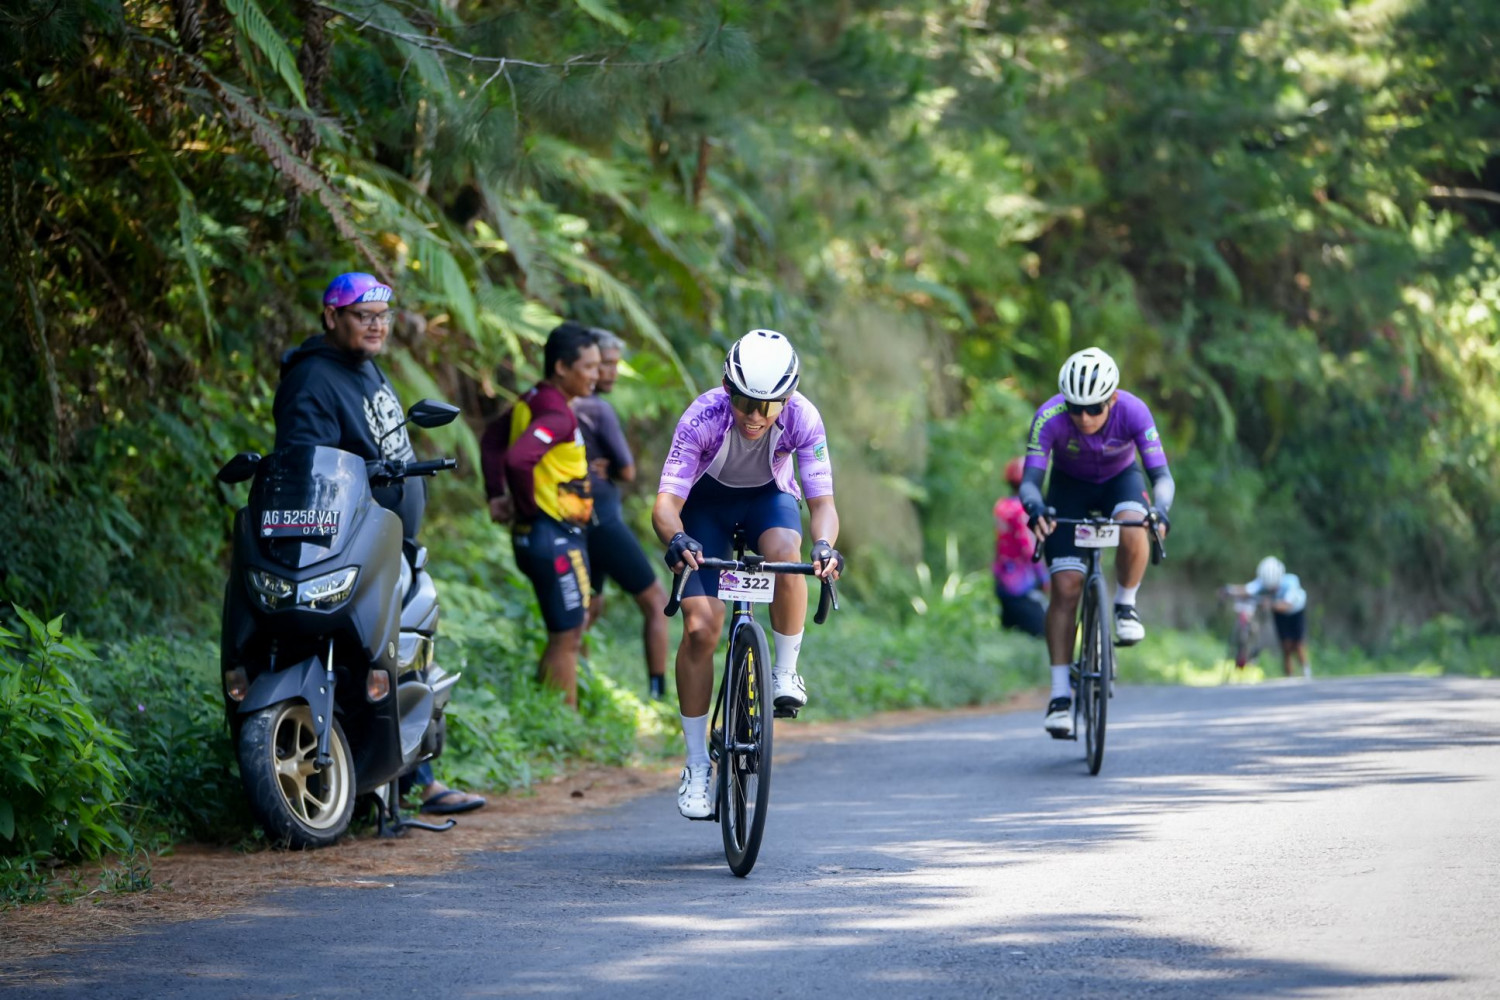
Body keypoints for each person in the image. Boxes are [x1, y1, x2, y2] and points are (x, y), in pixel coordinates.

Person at [272, 271, 485, 816]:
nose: (376, 326)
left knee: (405, 645)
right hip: (346, 544)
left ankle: (411, 775)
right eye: (363, 316)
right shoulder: (313, 378)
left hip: (386, 538)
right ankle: (397, 781)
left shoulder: (362, 365)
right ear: (331, 316)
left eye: (382, 317)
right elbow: (309, 467)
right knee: (378, 649)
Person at [652, 329, 845, 819]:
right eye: (744, 402)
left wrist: (825, 546)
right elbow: (666, 505)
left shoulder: (803, 417)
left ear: (788, 398)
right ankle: (697, 764)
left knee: (787, 552)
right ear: (726, 388)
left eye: (769, 406)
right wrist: (678, 538)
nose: (756, 416)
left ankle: (784, 671)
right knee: (702, 627)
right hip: (705, 508)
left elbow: (822, 504)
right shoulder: (703, 416)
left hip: (767, 500)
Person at [1019, 346, 1174, 739]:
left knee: (1135, 523)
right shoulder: (1049, 416)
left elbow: (1161, 477)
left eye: (1094, 408)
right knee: (1065, 588)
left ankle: (1125, 606)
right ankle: (1059, 696)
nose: (1084, 417)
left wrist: (1160, 510)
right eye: (1076, 408)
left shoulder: (1134, 411)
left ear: (1113, 399)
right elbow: (1031, 481)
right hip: (1068, 488)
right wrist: (1035, 508)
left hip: (1120, 481)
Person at [481, 322, 601, 708]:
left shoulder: (532, 398)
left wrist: (495, 495)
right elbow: (518, 459)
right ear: (562, 367)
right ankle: (564, 721)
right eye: (588, 367)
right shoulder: (557, 415)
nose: (596, 375)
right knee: (568, 636)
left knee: (563, 632)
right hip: (552, 535)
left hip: (545, 534)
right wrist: (527, 508)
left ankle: (545, 710)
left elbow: (492, 439)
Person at [574, 328, 670, 699]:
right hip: (603, 521)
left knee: (590, 608)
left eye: (616, 364)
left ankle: (576, 689)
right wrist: (614, 469)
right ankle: (658, 692)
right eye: (606, 364)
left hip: (579, 519)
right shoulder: (597, 408)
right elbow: (628, 470)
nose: (612, 372)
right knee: (656, 601)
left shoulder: (569, 404)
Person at [1223, 557, 1310, 678]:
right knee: (1286, 645)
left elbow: (1287, 605)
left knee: (1298, 644)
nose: (1271, 589)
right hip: (1279, 614)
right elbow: (1247, 590)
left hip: (1295, 612)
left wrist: (1269, 604)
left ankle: (1306, 671)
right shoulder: (1262, 581)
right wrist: (1229, 590)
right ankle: (1290, 676)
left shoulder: (1291, 582)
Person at [994, 457, 1049, 637]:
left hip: (1003, 580)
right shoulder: (1023, 510)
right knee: (1045, 630)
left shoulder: (1002, 505)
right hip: (1022, 585)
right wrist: (1044, 578)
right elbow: (1029, 548)